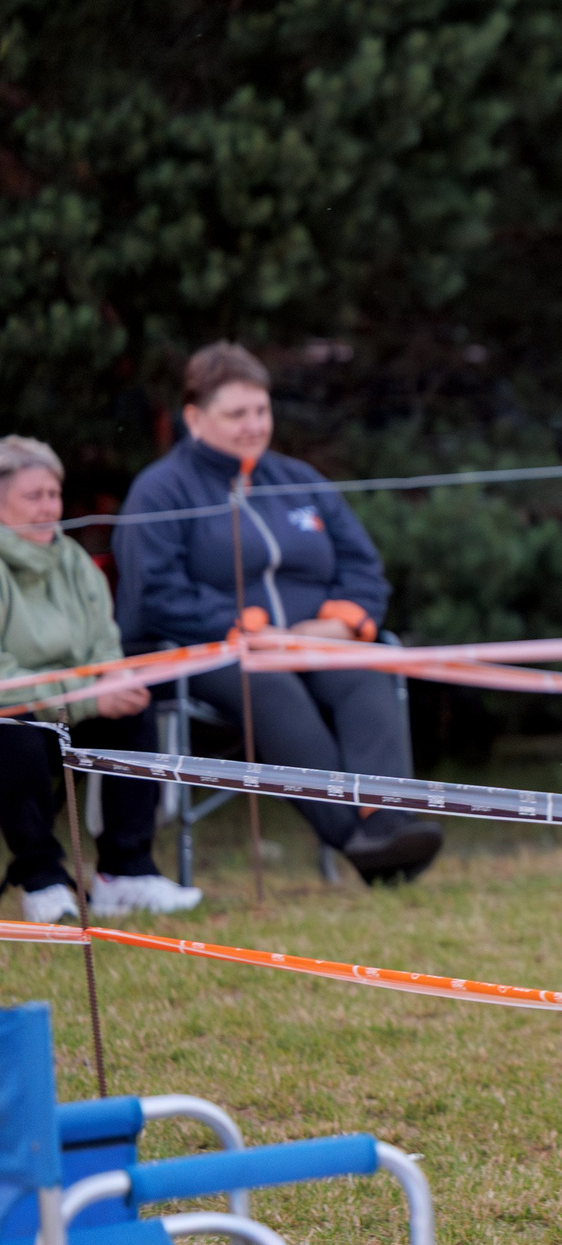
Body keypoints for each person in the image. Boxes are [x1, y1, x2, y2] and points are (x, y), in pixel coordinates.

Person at [111, 343, 443, 885]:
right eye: (236, 414)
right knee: (268, 685)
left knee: (368, 664)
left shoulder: (300, 480)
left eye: (261, 411)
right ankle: (357, 839)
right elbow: (156, 593)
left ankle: (389, 823)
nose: (253, 425)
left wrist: (342, 622)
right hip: (207, 652)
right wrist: (255, 632)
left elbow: (364, 567)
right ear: (194, 418)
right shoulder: (160, 491)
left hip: (316, 644)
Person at [0, 438, 202, 921]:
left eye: (54, 493)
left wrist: (114, 683)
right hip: (18, 717)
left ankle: (125, 872)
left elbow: (104, 650)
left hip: (72, 707)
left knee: (135, 702)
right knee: (14, 729)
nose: (49, 507)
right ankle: (42, 880)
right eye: (34, 496)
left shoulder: (76, 564)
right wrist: (86, 697)